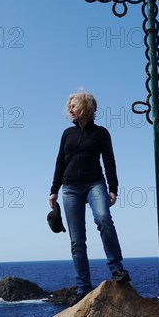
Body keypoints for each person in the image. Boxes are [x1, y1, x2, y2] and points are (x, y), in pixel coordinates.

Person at [49, 91, 130, 305]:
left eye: (74, 105)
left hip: (95, 183)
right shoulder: (67, 134)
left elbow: (110, 161)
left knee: (103, 218)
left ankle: (117, 269)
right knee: (77, 241)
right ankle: (83, 287)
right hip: (69, 188)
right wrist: (53, 190)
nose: (70, 109)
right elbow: (60, 162)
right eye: (70, 106)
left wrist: (113, 189)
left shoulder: (101, 133)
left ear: (86, 107)